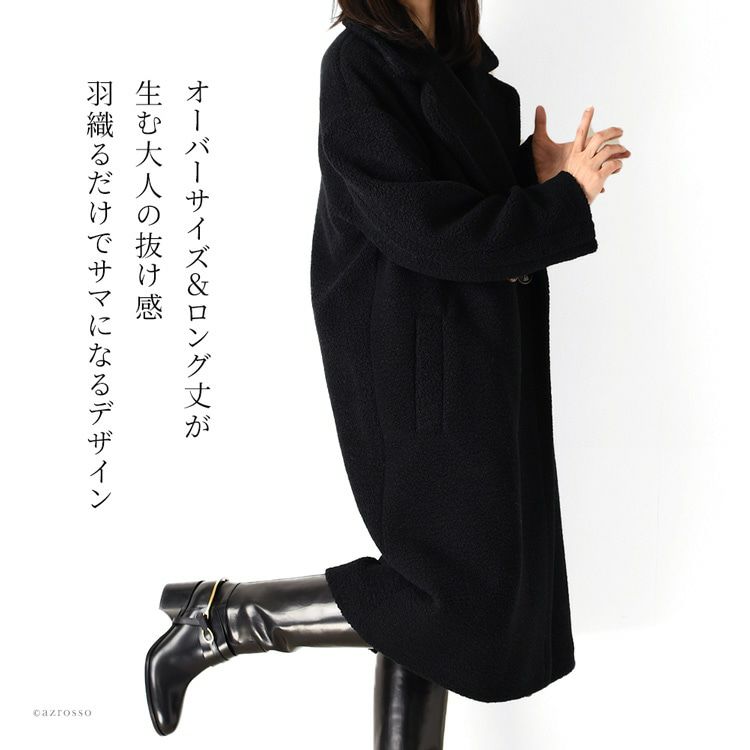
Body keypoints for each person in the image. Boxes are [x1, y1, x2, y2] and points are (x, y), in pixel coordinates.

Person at [144, 1, 630, 746]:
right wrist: (560, 203)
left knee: (438, 587)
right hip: (410, 367)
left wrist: (529, 178)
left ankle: (222, 619)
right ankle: (225, 617)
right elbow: (416, 225)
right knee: (447, 593)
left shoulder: (462, 70)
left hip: (473, 358)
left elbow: (454, 202)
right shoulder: (358, 65)